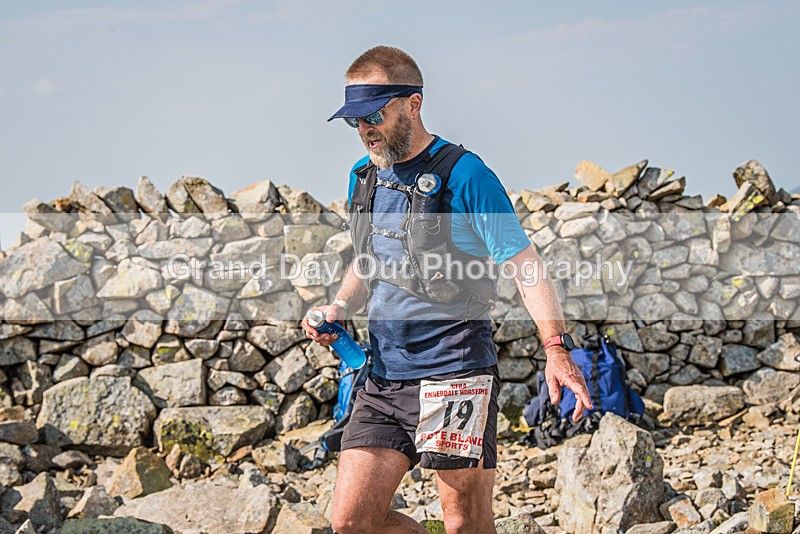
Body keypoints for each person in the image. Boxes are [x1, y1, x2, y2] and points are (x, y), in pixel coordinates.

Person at [301, 45, 592, 534]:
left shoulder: (466, 175)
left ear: (413, 104)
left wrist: (556, 349)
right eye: (354, 120)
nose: (364, 129)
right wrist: (339, 305)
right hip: (383, 376)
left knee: (463, 524)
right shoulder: (363, 179)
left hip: (456, 374)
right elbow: (368, 261)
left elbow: (526, 266)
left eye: (373, 115)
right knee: (352, 522)